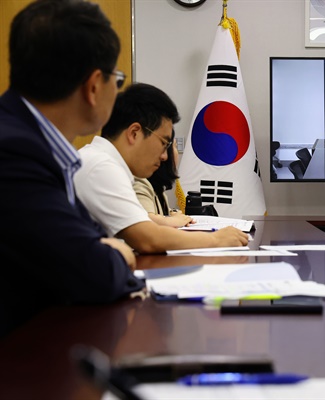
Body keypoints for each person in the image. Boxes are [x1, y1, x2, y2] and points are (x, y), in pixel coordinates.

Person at [0, 0, 145, 337]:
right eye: (117, 79)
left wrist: (100, 250)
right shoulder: (14, 152)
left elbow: (85, 244)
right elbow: (91, 271)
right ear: (94, 86)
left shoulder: (37, 144)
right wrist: (118, 254)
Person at [74, 83, 248, 253]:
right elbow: (148, 238)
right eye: (164, 143)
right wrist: (215, 239)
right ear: (134, 133)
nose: (165, 156)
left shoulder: (102, 161)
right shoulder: (102, 167)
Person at [133, 128, 193, 228]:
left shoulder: (158, 188)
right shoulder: (140, 182)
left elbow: (160, 212)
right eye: (174, 146)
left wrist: (173, 213)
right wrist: (172, 221)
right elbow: (145, 220)